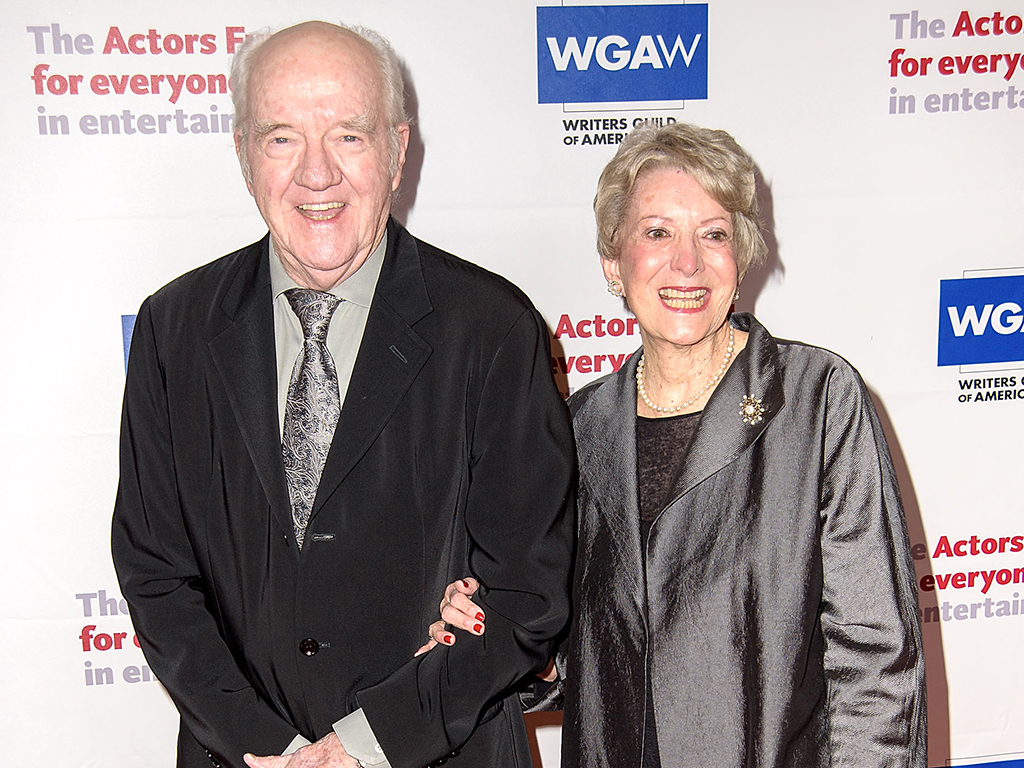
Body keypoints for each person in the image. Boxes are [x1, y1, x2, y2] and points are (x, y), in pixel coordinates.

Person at [111, 21, 575, 768]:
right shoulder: (174, 330)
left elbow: (528, 589)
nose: (316, 174)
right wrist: (270, 747)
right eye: (282, 138)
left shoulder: (492, 327)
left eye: (349, 136)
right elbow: (155, 574)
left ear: (397, 151)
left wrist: (365, 744)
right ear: (242, 154)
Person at [428, 122, 927, 767]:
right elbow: (571, 651)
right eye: (657, 233)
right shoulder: (578, 426)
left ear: (741, 256)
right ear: (614, 263)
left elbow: (876, 662)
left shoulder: (816, 399)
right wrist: (490, 628)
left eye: (713, 234)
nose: (687, 263)